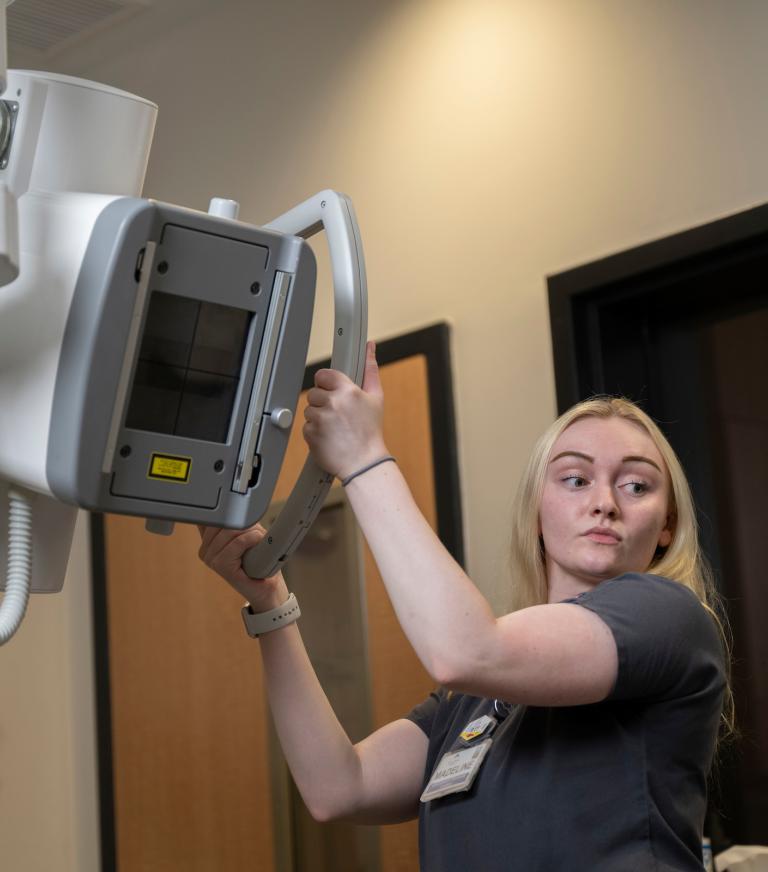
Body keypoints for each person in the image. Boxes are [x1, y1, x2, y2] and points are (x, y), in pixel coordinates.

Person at [198, 341, 728, 871]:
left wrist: (363, 458)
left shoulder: (670, 618)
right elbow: (338, 787)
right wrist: (271, 603)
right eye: (575, 478)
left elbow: (466, 649)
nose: (605, 502)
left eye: (636, 485)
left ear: (666, 528)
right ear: (536, 511)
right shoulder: (475, 702)